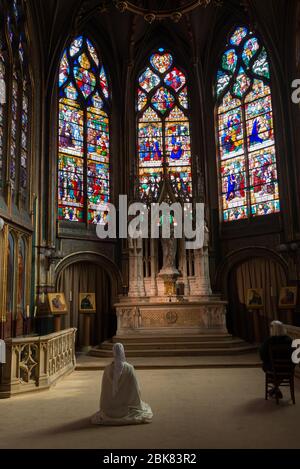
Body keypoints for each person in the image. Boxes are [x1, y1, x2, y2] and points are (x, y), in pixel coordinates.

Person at [91, 343, 153, 425]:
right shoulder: (129, 368)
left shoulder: (107, 369)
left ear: (113, 353)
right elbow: (135, 390)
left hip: (109, 410)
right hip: (126, 409)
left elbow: (105, 392)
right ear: (123, 352)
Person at [259, 320, 294, 399]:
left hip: (273, 369)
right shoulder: (290, 340)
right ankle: (276, 388)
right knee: (277, 370)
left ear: (272, 329)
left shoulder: (269, 341)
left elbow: (262, 355)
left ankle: (275, 388)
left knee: (266, 367)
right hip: (287, 369)